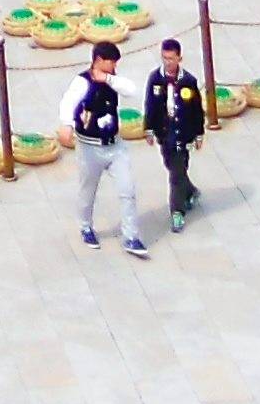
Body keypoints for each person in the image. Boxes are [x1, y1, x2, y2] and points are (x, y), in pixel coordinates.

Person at [62, 39, 144, 257]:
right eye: (111, 62)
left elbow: (132, 89)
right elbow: (68, 102)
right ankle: (85, 226)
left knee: (127, 190)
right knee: (88, 190)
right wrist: (67, 125)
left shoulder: (112, 79)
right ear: (99, 60)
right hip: (90, 147)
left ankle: (131, 236)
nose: (115, 66)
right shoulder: (82, 82)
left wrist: (107, 78)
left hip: (115, 145)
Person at [142, 35, 206, 228]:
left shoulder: (188, 81)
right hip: (165, 133)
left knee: (176, 173)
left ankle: (177, 211)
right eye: (164, 58)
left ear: (179, 58)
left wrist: (199, 133)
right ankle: (191, 191)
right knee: (173, 167)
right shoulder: (155, 78)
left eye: (171, 58)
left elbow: (196, 109)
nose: (168, 62)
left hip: (182, 133)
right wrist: (149, 129)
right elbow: (150, 105)